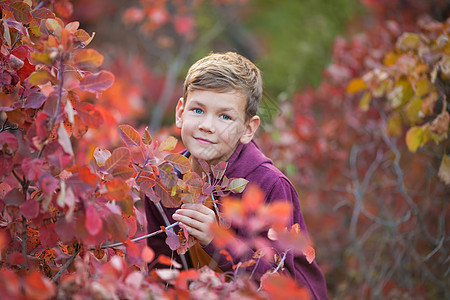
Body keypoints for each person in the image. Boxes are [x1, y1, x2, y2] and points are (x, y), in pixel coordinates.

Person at [145, 52, 328, 299]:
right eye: (198, 110)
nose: (207, 125)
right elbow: (162, 267)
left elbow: (276, 281)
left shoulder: (269, 184)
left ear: (247, 129)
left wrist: (216, 239)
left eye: (225, 117)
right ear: (180, 112)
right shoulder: (166, 181)